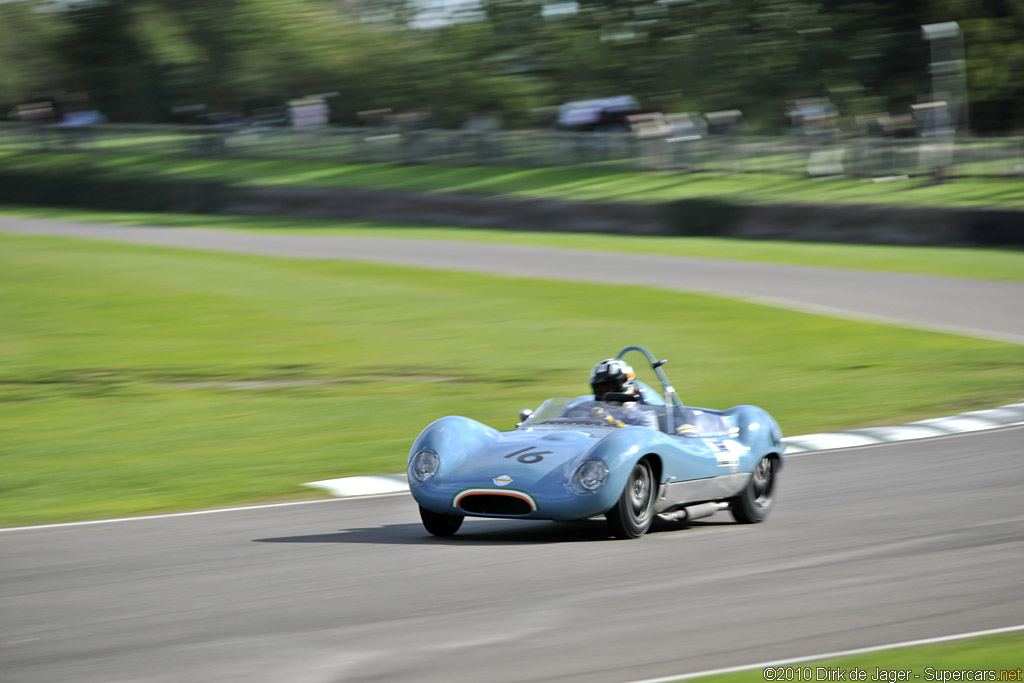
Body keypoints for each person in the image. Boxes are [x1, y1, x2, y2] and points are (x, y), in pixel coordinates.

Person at [587, 359, 659, 429]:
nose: (605, 396)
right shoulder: (593, 411)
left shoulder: (644, 416)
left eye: (609, 388)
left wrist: (612, 421)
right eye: (600, 389)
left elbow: (646, 436)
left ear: (626, 384)